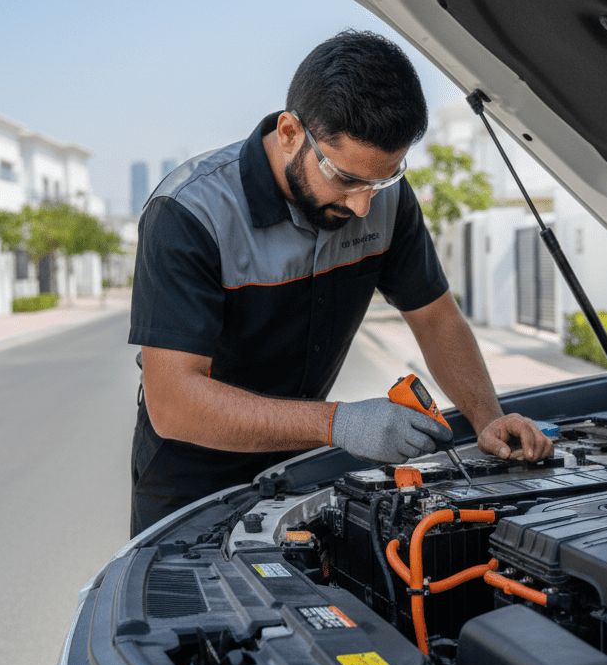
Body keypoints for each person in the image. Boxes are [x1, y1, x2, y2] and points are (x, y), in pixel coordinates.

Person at [129, 30, 553, 537]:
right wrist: (338, 423)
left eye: (382, 180)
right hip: (192, 486)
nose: (362, 206)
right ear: (290, 132)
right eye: (347, 179)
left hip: (306, 473)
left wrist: (487, 418)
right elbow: (173, 402)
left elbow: (435, 316)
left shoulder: (384, 199)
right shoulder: (190, 213)